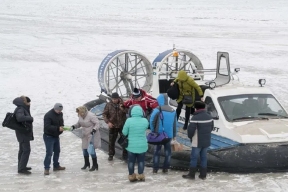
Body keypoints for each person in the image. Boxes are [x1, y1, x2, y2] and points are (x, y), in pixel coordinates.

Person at [182, 101, 213, 180]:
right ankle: (203, 175)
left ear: (196, 108)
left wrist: (190, 137)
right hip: (206, 140)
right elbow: (211, 128)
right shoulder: (209, 116)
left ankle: (191, 174)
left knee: (194, 157)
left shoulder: (195, 117)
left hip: (197, 141)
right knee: (204, 157)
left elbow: (191, 130)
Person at [149, 94, 177, 174]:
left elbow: (152, 121)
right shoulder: (173, 110)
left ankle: (155, 169)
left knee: (157, 152)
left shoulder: (158, 109)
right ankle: (165, 169)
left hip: (159, 135)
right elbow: (175, 124)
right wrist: (174, 135)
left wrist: (153, 131)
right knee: (168, 152)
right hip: (169, 135)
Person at [122, 105, 149, 182]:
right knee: (141, 161)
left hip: (131, 146)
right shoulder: (145, 121)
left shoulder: (129, 120)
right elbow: (146, 127)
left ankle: (132, 176)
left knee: (131, 161)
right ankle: (140, 176)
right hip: (142, 145)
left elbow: (124, 132)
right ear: (142, 112)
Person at [71, 106, 101, 171]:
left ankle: (95, 164)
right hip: (84, 134)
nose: (78, 114)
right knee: (84, 149)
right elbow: (79, 123)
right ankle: (87, 163)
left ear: (83, 111)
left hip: (92, 134)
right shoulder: (80, 116)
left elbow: (97, 123)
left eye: (79, 112)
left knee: (91, 149)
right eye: (78, 113)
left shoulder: (91, 115)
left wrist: (94, 130)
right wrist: (74, 126)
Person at [102, 92, 127, 161]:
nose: (114, 100)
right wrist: (108, 122)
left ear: (118, 98)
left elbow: (128, 111)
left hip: (122, 126)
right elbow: (104, 114)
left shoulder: (123, 104)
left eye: (115, 99)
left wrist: (122, 109)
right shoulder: (108, 105)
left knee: (124, 141)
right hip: (112, 126)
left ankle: (125, 156)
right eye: (113, 99)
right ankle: (111, 155)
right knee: (111, 142)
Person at [13, 96, 34, 174]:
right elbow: (20, 118)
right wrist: (30, 118)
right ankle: (21, 169)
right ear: (24, 102)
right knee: (26, 150)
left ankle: (21, 166)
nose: (29, 104)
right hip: (22, 133)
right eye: (28, 102)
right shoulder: (20, 109)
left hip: (22, 132)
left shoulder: (22, 108)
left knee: (22, 150)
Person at [43, 103, 66, 175]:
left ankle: (56, 166)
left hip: (56, 136)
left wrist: (62, 127)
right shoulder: (48, 115)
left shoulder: (60, 114)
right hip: (49, 136)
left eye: (61, 110)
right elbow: (47, 127)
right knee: (49, 153)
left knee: (57, 151)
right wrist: (57, 128)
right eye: (58, 110)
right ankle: (46, 168)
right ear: (55, 109)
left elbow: (61, 122)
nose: (60, 111)